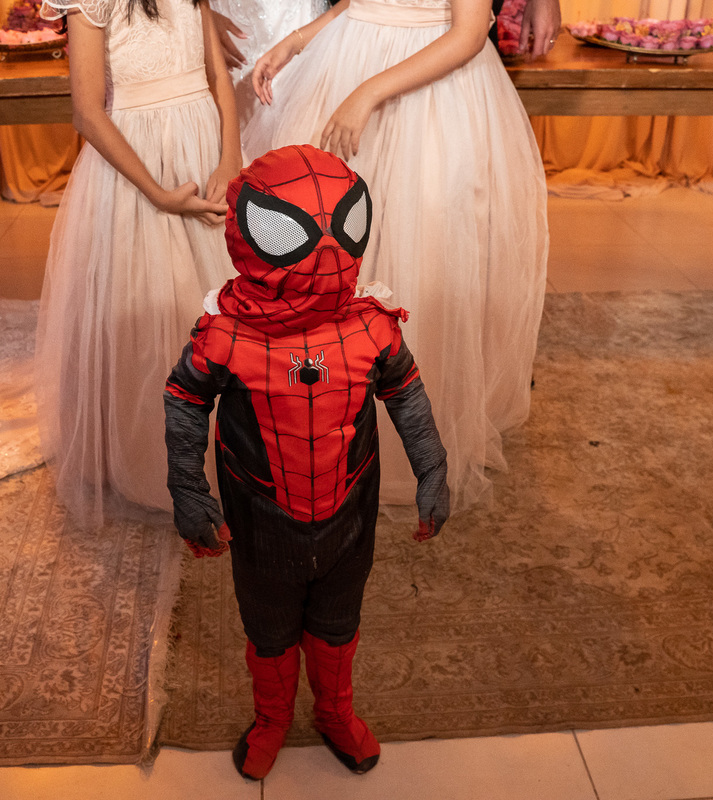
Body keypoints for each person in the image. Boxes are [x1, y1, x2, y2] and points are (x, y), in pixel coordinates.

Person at [164, 145, 450, 780]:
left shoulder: (373, 326)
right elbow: (185, 397)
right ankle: (271, 718)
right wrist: (187, 487)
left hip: (351, 511)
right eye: (293, 233)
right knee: (268, 627)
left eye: (339, 230)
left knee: (339, 620)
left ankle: (333, 712)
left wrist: (432, 467)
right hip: (261, 519)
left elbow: (406, 391)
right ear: (253, 232)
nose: (324, 252)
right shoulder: (225, 334)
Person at [242, 0, 558, 514]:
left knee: (419, 246)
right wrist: (298, 41)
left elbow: (470, 32)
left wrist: (367, 93)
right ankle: (323, 415)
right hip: (346, 55)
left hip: (427, 89)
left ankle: (401, 427)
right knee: (328, 251)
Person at [36, 0, 242, 524]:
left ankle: (235, 451)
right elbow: (87, 111)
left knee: (221, 307)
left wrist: (230, 159)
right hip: (138, 165)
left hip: (202, 144)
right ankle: (152, 457)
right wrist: (157, 193)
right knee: (151, 303)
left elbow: (218, 78)